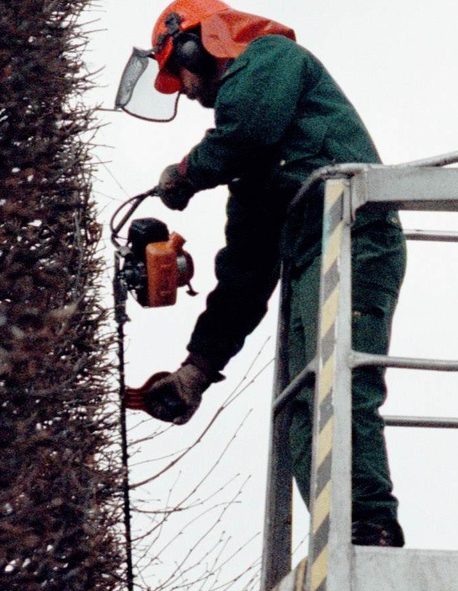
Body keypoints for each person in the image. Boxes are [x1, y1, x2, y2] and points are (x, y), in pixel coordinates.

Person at [122, 0, 407, 547]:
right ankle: (340, 539)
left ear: (195, 44)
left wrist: (187, 172)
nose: (182, 90)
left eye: (174, 71)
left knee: (341, 386)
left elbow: (246, 128)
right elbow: (243, 279)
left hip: (356, 239)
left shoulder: (272, 58)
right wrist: (195, 372)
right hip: (311, 259)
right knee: (303, 405)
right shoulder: (255, 173)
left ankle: (371, 527)